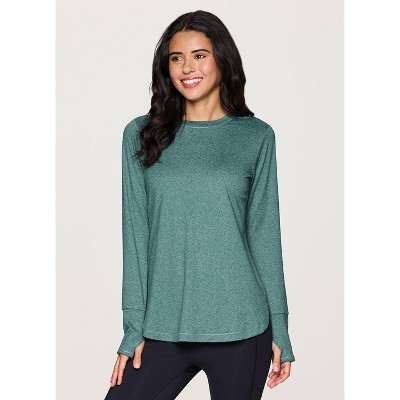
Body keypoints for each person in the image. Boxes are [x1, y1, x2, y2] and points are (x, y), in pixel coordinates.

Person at [104, 9, 296, 400]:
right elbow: (135, 238)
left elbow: (264, 234)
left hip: (243, 327)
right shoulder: (141, 135)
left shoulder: (256, 137)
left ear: (222, 59)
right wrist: (133, 328)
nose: (187, 68)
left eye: (199, 55)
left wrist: (280, 327)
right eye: (176, 58)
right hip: (162, 326)